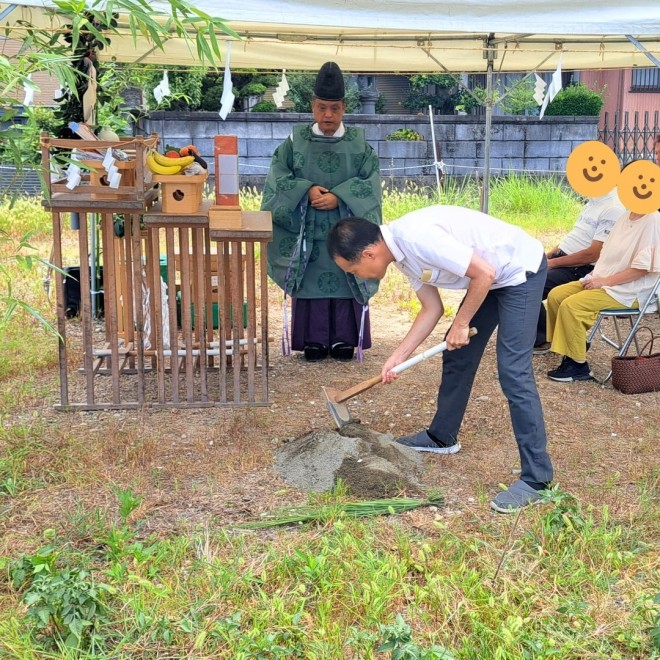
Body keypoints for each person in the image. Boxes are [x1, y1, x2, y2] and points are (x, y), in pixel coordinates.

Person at [327, 208, 554, 513]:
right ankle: (441, 437)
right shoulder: (400, 255)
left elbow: (484, 272)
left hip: (518, 271)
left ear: (369, 254)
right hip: (491, 278)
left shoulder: (417, 238)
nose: (356, 277)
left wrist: (461, 324)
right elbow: (430, 309)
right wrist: (398, 357)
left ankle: (538, 480)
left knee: (513, 371)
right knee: (457, 354)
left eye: (353, 271)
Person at [262, 61, 382, 362]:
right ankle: (312, 339)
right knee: (312, 274)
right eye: (322, 108)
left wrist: (339, 196)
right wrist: (307, 189)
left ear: (344, 108)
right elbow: (278, 176)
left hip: (347, 224)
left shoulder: (359, 144)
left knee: (345, 274)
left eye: (334, 108)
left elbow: (371, 181)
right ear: (312, 107)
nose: (328, 115)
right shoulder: (295, 141)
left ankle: (344, 339)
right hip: (308, 225)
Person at [545, 205, 660, 382]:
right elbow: (607, 254)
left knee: (572, 305)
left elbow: (642, 269)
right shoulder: (625, 216)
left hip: (631, 290)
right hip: (605, 279)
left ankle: (578, 367)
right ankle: (573, 345)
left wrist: (604, 282)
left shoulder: (652, 219)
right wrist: (594, 276)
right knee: (556, 295)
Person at [533, 189, 624, 353]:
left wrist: (552, 263)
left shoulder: (613, 208)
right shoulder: (594, 199)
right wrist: (550, 255)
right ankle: (552, 335)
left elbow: (592, 254)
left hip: (580, 267)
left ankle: (544, 339)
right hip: (564, 259)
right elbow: (574, 236)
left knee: (530, 285)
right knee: (521, 276)